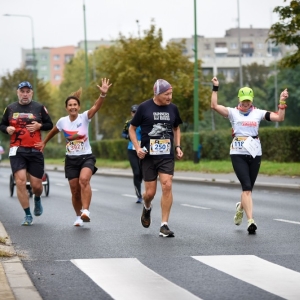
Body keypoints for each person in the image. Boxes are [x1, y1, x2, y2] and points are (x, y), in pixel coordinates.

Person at [210, 77, 288, 234]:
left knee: (248, 189)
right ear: (239, 100)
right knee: (246, 187)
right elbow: (214, 106)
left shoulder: (258, 113)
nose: (246, 105)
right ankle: (250, 221)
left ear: (252, 101)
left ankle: (240, 207)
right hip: (238, 154)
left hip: (254, 153)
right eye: (244, 102)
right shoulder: (232, 113)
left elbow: (279, 117)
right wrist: (215, 88)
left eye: (248, 102)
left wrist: (282, 101)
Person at [35, 78, 112, 227]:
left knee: (84, 180)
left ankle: (86, 211)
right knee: (75, 190)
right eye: (70, 105)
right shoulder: (62, 121)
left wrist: (102, 95)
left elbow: (96, 107)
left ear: (79, 106)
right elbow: (53, 131)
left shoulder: (84, 117)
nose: (73, 107)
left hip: (86, 157)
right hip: (71, 160)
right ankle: (78, 216)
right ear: (66, 108)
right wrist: (44, 142)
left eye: (75, 105)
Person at [129, 79, 184, 238]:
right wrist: (138, 147)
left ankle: (164, 225)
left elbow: (176, 127)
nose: (169, 97)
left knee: (167, 185)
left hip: (166, 155)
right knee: (150, 193)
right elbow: (132, 129)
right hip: (148, 157)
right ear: (157, 94)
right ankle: (147, 207)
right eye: (166, 94)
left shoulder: (173, 109)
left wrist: (178, 147)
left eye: (171, 93)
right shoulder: (144, 108)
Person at [0, 81, 53, 226]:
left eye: (27, 91)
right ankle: (27, 214)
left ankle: (37, 198)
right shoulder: (10, 108)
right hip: (17, 150)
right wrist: (7, 129)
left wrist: (40, 125)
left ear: (31, 93)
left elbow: (50, 125)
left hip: (35, 149)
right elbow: (2, 125)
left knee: (36, 185)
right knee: (20, 181)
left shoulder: (39, 108)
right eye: (22, 91)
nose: (25, 94)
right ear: (18, 92)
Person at [121, 104, 143, 203]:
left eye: (137, 112)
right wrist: (127, 137)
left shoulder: (145, 122)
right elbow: (123, 133)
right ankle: (139, 195)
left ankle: (140, 181)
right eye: (134, 112)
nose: (135, 114)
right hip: (132, 150)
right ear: (131, 113)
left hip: (143, 149)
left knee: (143, 172)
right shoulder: (128, 123)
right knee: (136, 172)